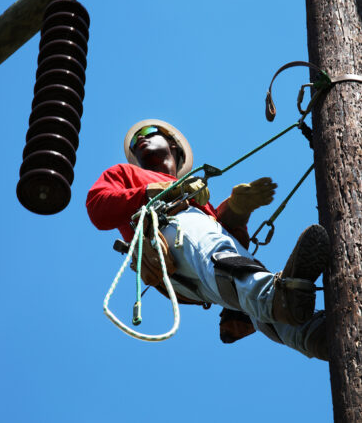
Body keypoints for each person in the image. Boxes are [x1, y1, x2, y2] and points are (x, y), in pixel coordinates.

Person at [86, 119, 330, 360]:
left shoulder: (199, 200)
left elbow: (229, 240)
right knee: (217, 251)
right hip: (167, 244)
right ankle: (278, 298)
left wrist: (237, 209)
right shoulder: (125, 174)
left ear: (173, 144)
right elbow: (97, 207)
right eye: (134, 142)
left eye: (148, 131)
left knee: (245, 286)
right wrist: (157, 190)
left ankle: (314, 335)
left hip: (201, 279)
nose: (140, 138)